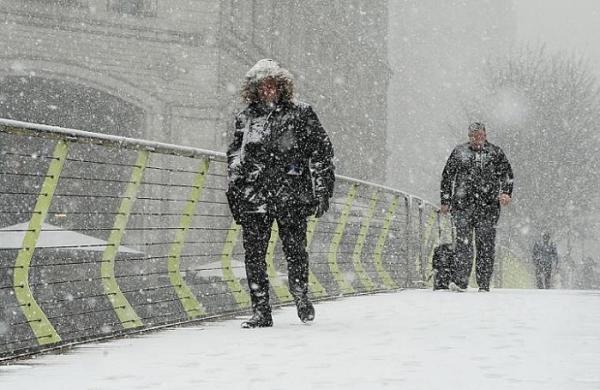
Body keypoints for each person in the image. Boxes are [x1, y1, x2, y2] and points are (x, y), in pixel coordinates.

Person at [226, 59, 335, 328]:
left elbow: (322, 152)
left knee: (295, 250)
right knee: (253, 254)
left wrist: (322, 191)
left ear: (282, 86)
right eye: (262, 86)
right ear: (253, 89)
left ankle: (300, 294)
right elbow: (235, 156)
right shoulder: (246, 118)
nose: (267, 91)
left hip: (292, 194)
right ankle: (261, 310)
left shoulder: (301, 114)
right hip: (255, 196)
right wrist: (236, 193)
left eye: (272, 85)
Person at [440, 122, 513, 292]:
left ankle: (484, 283)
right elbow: (447, 176)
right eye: (473, 136)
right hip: (462, 206)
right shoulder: (459, 152)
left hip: (488, 207)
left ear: (485, 135)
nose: (476, 139)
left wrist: (506, 193)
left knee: (485, 244)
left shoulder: (495, 153)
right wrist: (445, 201)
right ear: (468, 136)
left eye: (479, 135)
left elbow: (507, 174)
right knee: (463, 243)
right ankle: (460, 281)